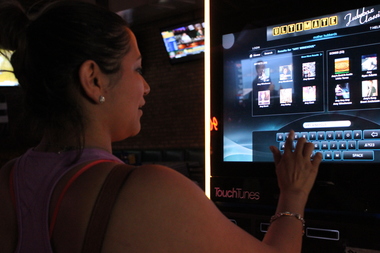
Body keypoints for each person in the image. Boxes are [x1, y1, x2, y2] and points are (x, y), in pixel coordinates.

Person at [0, 0, 322, 252]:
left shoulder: (7, 178)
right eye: (138, 69)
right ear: (93, 79)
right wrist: (293, 194)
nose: (146, 87)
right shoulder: (150, 190)